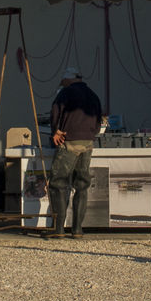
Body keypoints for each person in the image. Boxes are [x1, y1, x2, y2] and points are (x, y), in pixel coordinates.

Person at [47, 67, 103, 238]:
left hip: (69, 141)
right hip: (87, 143)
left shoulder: (65, 93)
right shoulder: (93, 95)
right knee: (81, 185)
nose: (62, 83)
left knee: (58, 183)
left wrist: (56, 131)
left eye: (63, 81)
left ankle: (58, 229)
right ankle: (77, 229)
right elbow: (99, 122)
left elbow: (55, 113)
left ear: (68, 79)